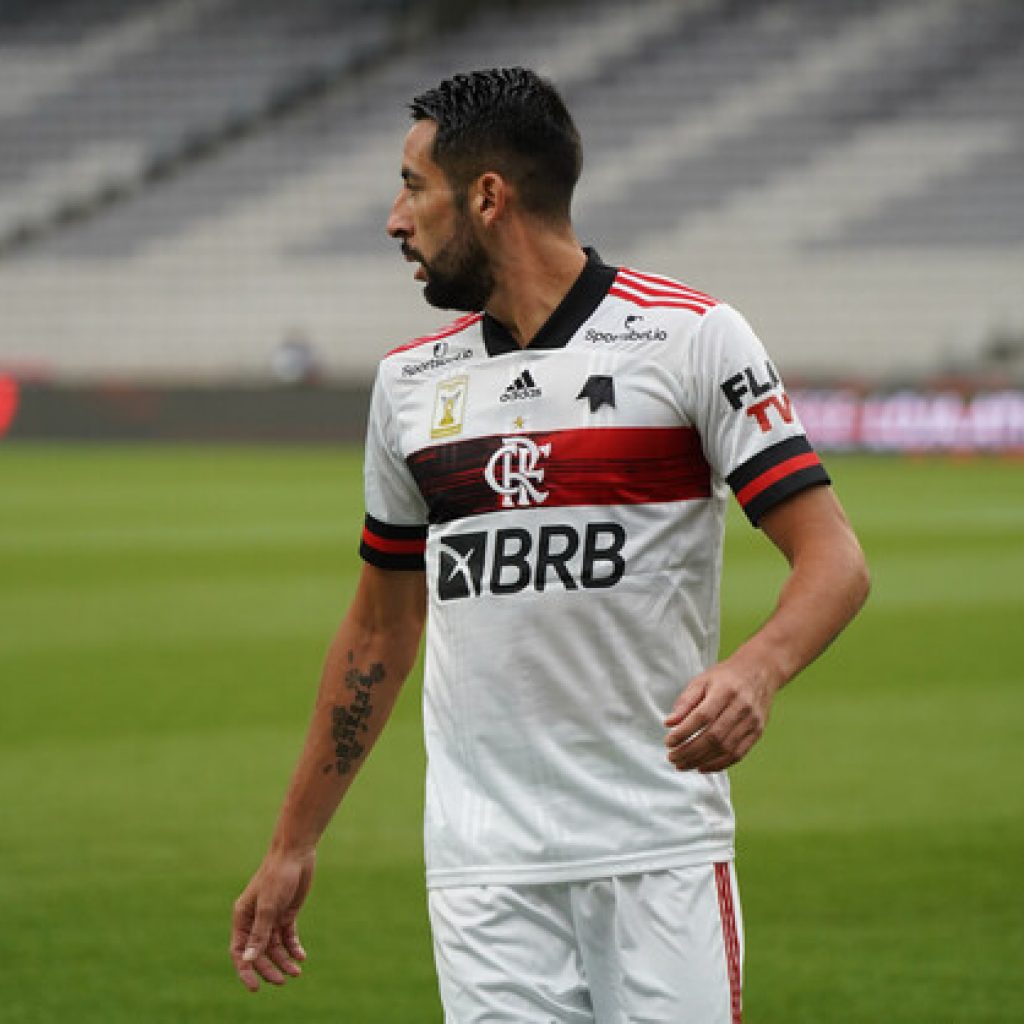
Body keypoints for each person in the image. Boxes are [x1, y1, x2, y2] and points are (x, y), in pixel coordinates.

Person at [230, 67, 870, 1022]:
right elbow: (377, 633)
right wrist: (291, 843)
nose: (395, 220)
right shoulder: (409, 387)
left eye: (413, 186)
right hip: (483, 869)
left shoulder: (691, 339)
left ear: (488, 197)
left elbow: (834, 561)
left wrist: (758, 670)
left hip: (654, 848)